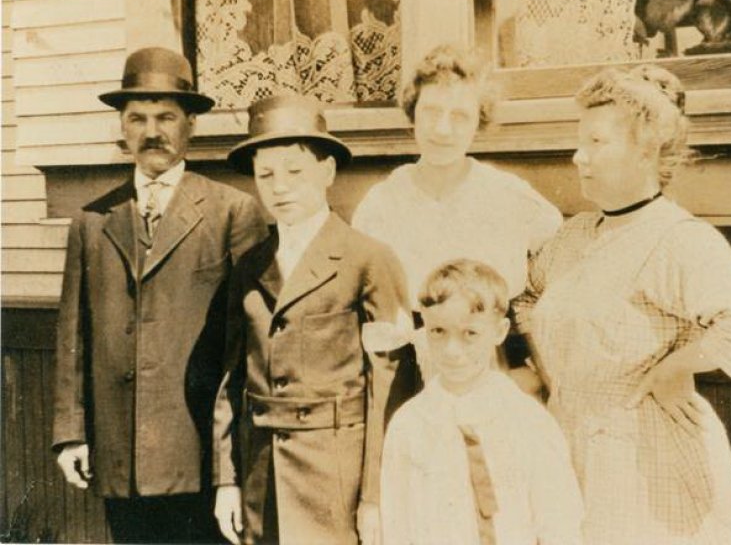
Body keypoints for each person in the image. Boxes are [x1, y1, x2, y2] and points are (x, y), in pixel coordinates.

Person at [513, 64, 731, 544]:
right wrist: (542, 368)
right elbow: (529, 295)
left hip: (642, 464)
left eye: (597, 143)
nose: (579, 157)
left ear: (647, 147)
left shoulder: (676, 239)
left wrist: (676, 367)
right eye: (580, 142)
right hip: (569, 444)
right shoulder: (575, 234)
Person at [52, 47, 267, 543]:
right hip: (118, 452)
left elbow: (246, 348)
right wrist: (70, 433)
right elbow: (72, 335)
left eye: (167, 116)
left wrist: (230, 466)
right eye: (138, 118)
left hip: (198, 455)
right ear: (123, 129)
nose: (153, 131)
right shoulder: (92, 220)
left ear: (191, 124)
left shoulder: (232, 212)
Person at [214, 95, 411, 545]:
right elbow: (232, 379)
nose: (279, 186)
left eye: (294, 171)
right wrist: (227, 478)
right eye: (266, 174)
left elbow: (389, 389)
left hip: (335, 480)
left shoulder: (367, 258)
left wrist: (375, 495)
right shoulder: (249, 265)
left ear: (327, 172)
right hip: (262, 476)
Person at [352, 44, 562, 389]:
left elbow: (556, 283)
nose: (443, 130)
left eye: (460, 116)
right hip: (409, 379)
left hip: (496, 373)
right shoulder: (382, 203)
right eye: (431, 112)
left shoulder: (510, 198)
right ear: (412, 114)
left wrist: (533, 371)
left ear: (479, 121)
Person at [381, 259, 583, 545]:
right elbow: (397, 525)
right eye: (438, 331)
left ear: (499, 332)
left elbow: (560, 523)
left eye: (470, 334)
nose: (452, 351)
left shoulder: (528, 422)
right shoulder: (409, 425)